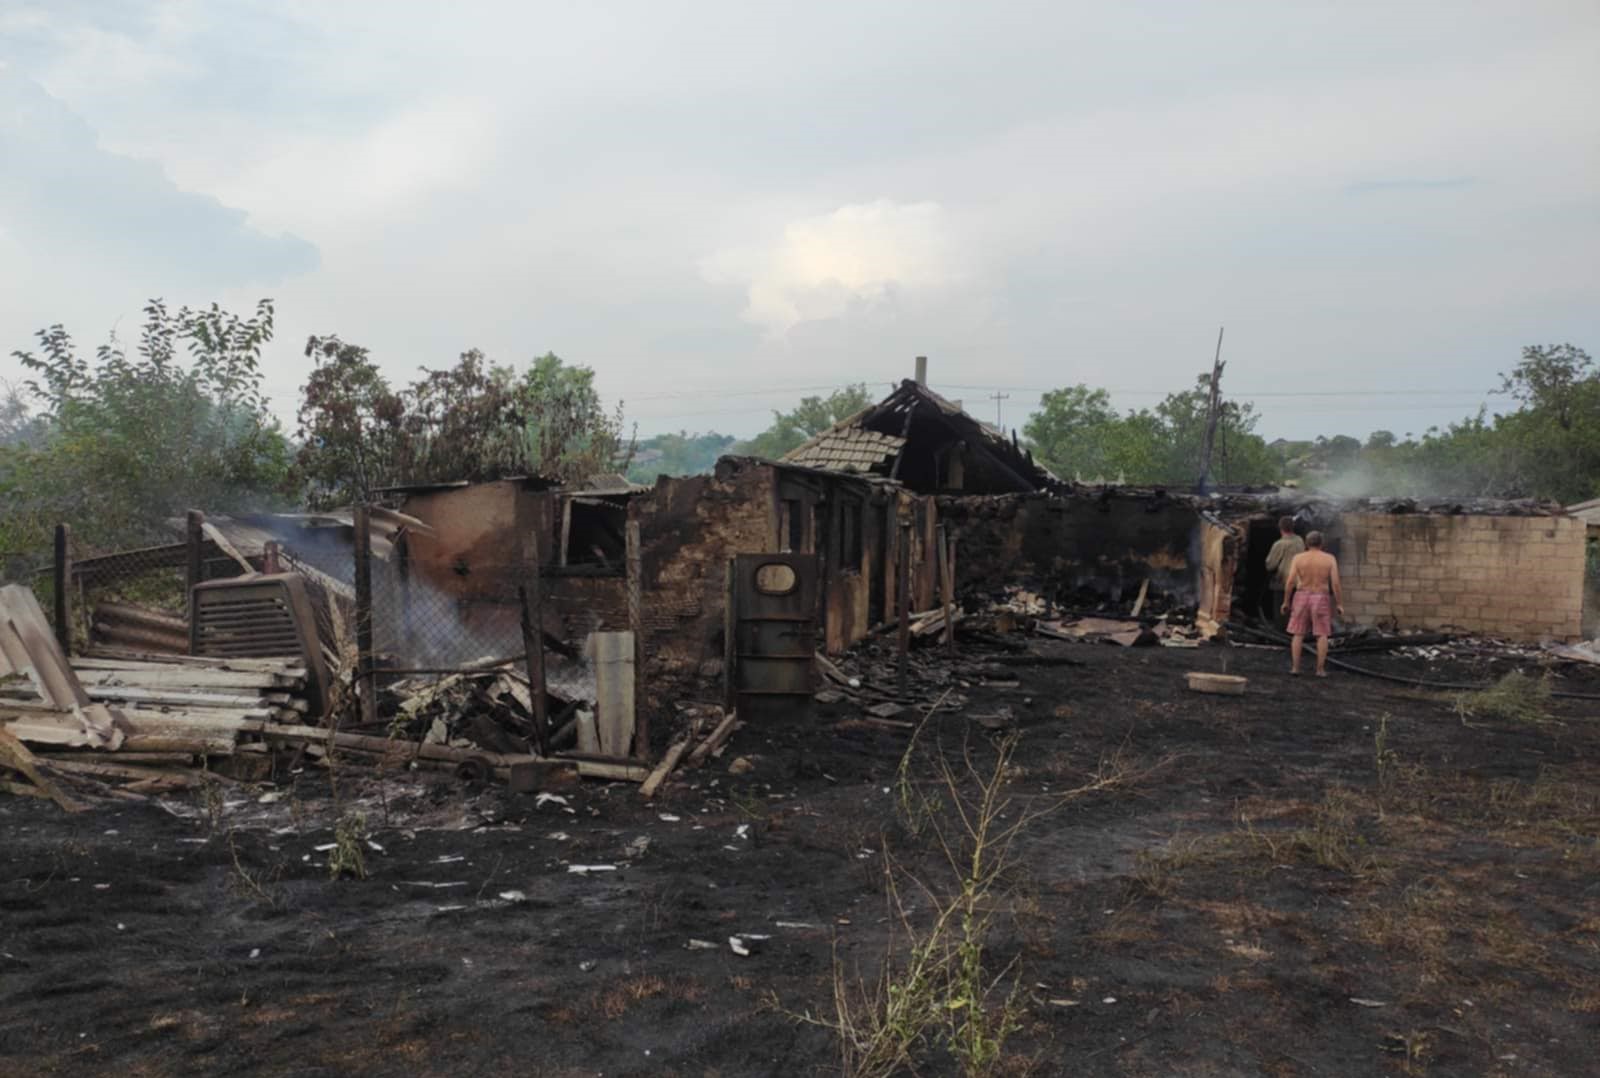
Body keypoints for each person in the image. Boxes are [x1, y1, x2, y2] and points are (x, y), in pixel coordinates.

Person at [1281, 531, 1344, 677]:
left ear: (1306, 543)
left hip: (1301, 596)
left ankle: (1295, 668)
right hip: (1320, 597)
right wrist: (1339, 603)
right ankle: (1320, 670)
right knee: (1322, 634)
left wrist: (1285, 601)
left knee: (1298, 633)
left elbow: (1290, 582)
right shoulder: (1329, 559)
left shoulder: (1298, 558)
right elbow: (1335, 583)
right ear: (1322, 543)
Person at [1262, 516, 1305, 628]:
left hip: (1283, 582)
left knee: (1282, 611)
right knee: (1296, 610)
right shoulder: (1300, 541)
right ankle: (1295, 632)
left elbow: (1270, 565)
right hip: (1299, 582)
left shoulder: (1279, 544)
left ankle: (1282, 633)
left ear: (1280, 528)